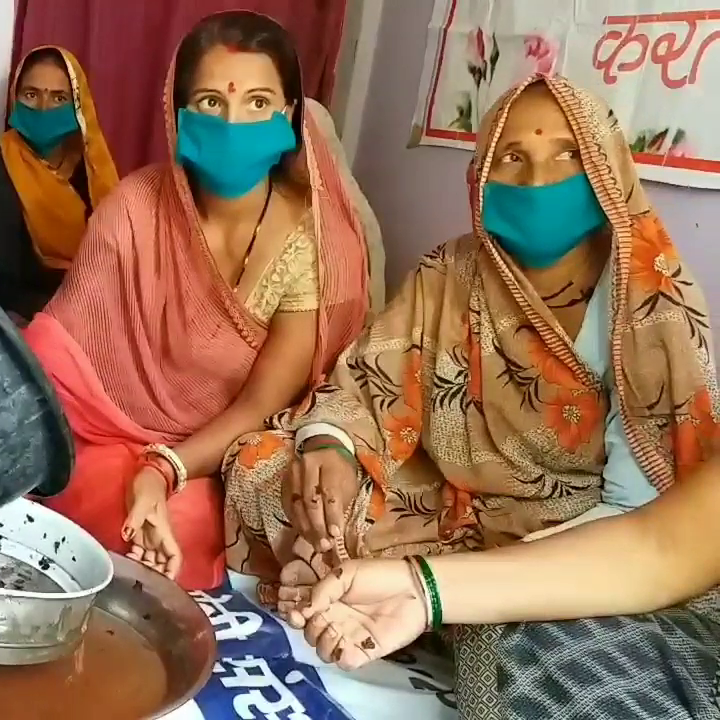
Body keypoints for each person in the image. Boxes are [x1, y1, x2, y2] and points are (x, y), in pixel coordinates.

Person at [221, 75, 719, 615]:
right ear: (481, 174)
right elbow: (368, 383)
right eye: (512, 157)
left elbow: (643, 509)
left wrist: (481, 573)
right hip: (437, 495)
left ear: (608, 167)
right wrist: (331, 447)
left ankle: (371, 585)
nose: (537, 181)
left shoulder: (649, 295)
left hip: (567, 529)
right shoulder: (450, 270)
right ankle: (358, 578)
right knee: (264, 464)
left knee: (576, 607)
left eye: (567, 155)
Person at [24, 10, 382, 591]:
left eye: (258, 102)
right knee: (25, 489)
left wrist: (165, 468)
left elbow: (262, 407)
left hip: (210, 453)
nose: (234, 121)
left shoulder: (317, 246)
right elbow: (59, 358)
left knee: (169, 529)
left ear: (290, 116)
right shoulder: (135, 206)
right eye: (212, 103)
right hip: (98, 434)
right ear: (179, 113)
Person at [292, 453, 720, 718]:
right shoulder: (442, 304)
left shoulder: (640, 311)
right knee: (526, 626)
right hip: (453, 493)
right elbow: (660, 547)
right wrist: (421, 587)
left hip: (568, 506)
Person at [0, 46, 119, 321]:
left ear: (78, 104)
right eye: (31, 95)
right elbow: (1, 281)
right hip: (32, 320)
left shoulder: (92, 168)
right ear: (15, 98)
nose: (43, 108)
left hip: (101, 311)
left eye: (58, 98)